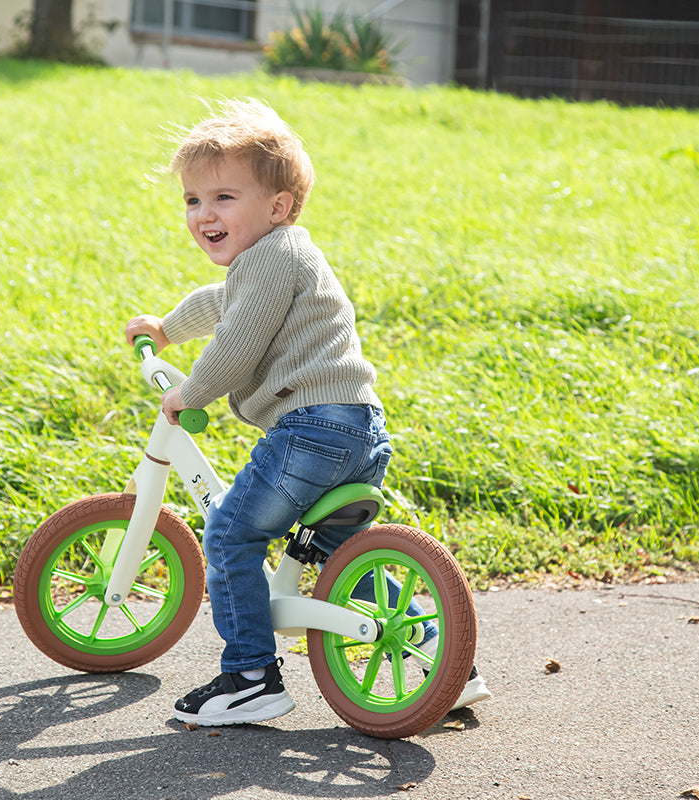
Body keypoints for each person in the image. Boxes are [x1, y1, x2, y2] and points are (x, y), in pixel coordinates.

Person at [125, 98, 489, 727]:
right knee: (342, 553)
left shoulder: (271, 259)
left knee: (230, 534)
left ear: (278, 206)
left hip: (311, 430)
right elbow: (225, 303)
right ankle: (445, 664)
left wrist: (192, 392)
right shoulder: (278, 258)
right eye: (193, 200)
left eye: (224, 198)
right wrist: (168, 327)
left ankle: (250, 677)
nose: (204, 214)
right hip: (358, 430)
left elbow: (237, 344)